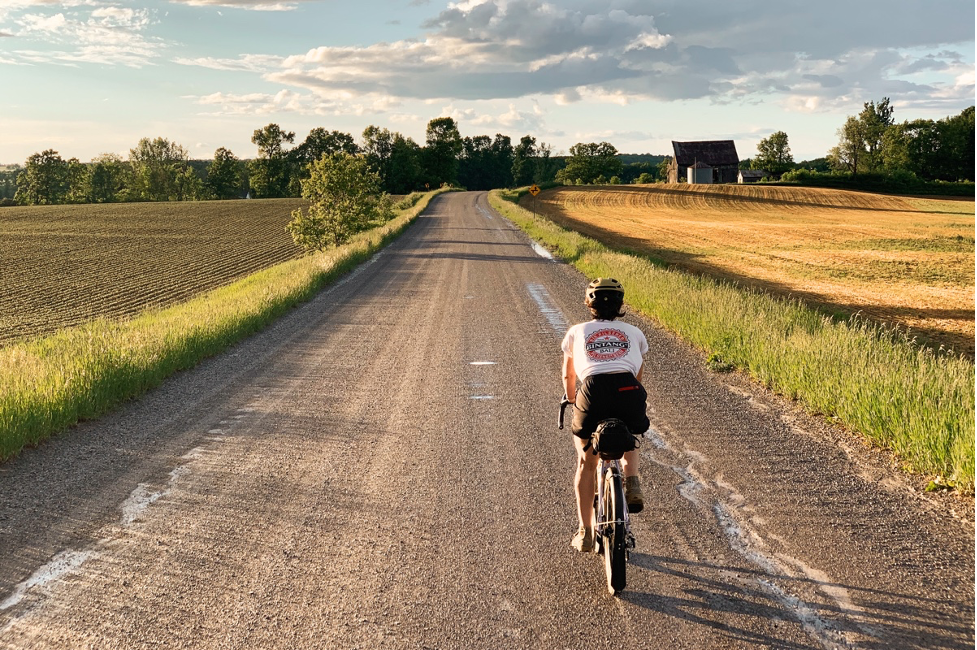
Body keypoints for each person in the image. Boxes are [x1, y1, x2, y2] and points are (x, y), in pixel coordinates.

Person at [561, 277, 649, 552]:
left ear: (589, 304)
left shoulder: (577, 331)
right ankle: (631, 480)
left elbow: (569, 376)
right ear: (621, 305)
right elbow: (637, 373)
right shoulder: (634, 332)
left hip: (592, 392)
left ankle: (586, 532)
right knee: (630, 430)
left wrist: (573, 400)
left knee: (586, 462)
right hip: (628, 388)